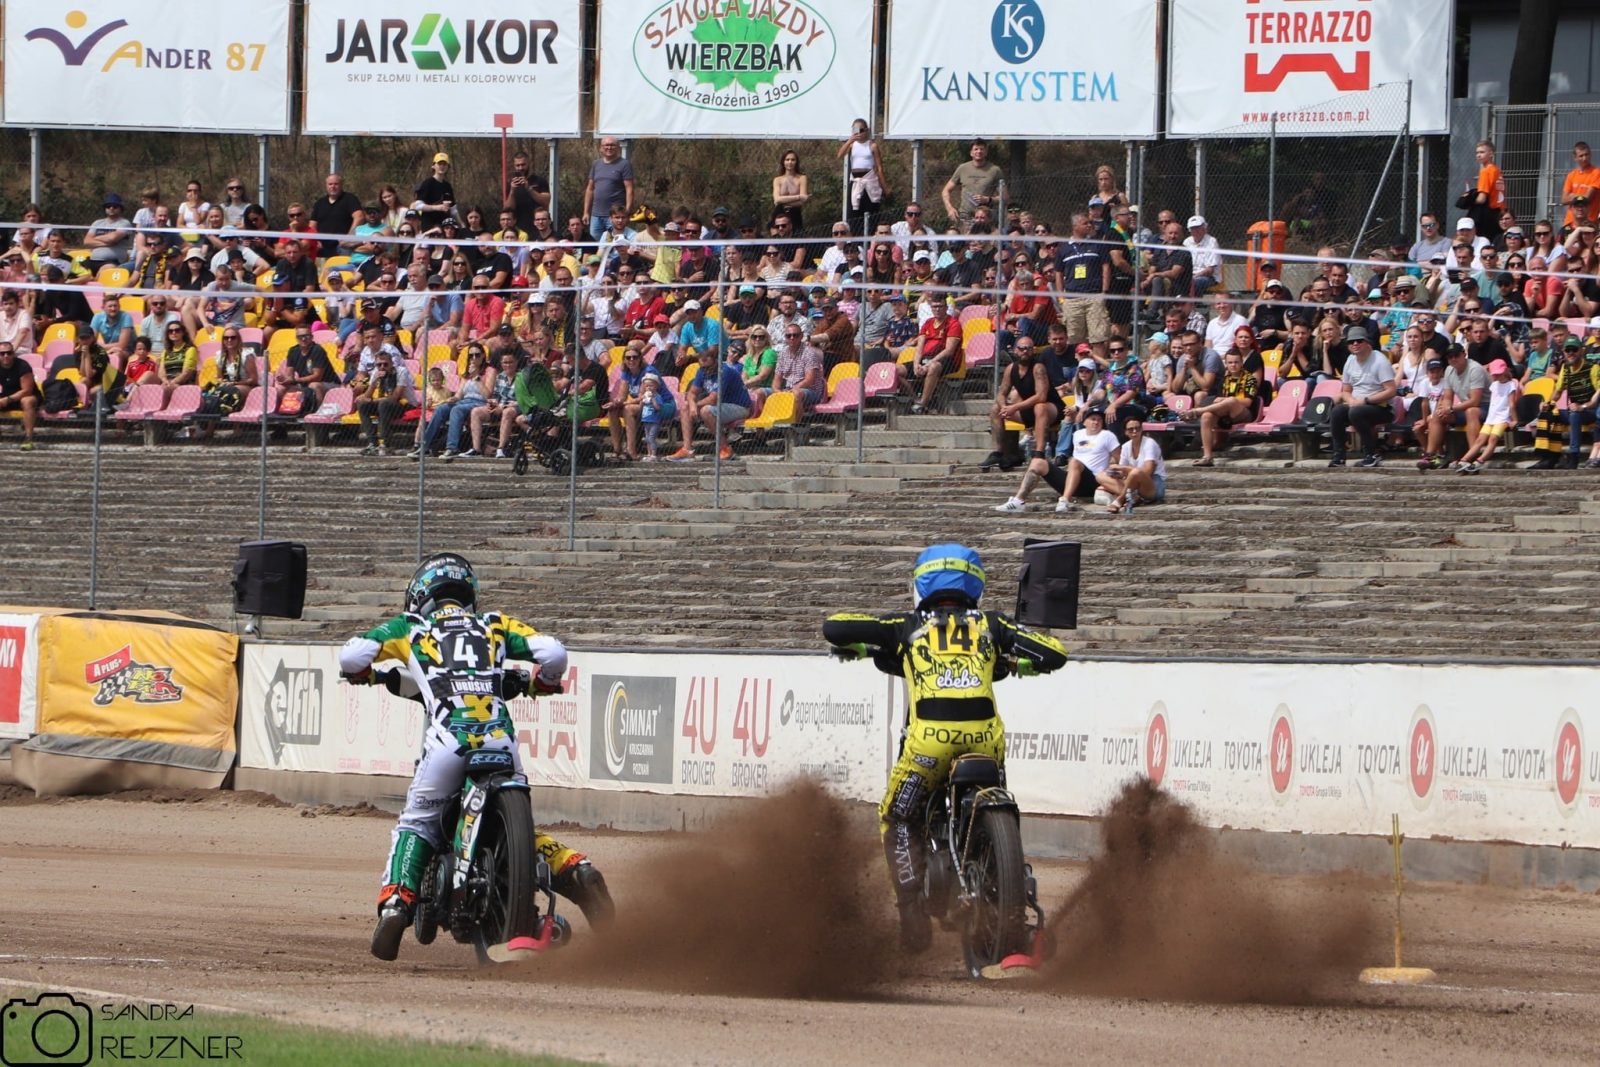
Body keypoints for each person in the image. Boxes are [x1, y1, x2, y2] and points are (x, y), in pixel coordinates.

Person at [340, 554, 613, 960]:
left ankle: (397, 903)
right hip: (501, 742)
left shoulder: (410, 627)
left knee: (418, 823)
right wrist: (543, 681)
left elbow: (351, 658)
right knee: (515, 833)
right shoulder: (494, 624)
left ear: (420, 597)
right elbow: (554, 653)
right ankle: (573, 868)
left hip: (448, 742)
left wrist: (364, 674)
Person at [821, 544, 1066, 952]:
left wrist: (864, 643)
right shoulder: (992, 625)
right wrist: (1020, 663)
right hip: (986, 743)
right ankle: (1004, 878)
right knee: (1002, 793)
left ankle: (911, 913)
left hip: (929, 748)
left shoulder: (906, 625)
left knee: (897, 816)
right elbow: (1055, 653)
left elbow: (835, 626)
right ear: (976, 586)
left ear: (921, 585)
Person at [996, 404, 1120, 512]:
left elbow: (1119, 459)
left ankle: (1065, 500)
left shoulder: (1107, 436)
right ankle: (1019, 500)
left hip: (1093, 480)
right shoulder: (1078, 434)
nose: (1096, 422)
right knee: (1038, 462)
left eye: (1099, 420)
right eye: (1093, 419)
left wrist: (1110, 470)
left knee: (1074, 462)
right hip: (1073, 477)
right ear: (1084, 422)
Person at [1325, 324, 1397, 467]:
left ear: (1367, 342)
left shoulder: (1380, 360)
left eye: (1359, 340)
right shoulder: (1350, 361)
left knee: (1356, 412)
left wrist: (1365, 400)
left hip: (1382, 407)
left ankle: (1371, 453)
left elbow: (1391, 390)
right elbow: (1346, 390)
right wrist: (1351, 400)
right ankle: (1339, 455)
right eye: (1351, 342)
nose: (1355, 344)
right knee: (1337, 411)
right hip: (1357, 405)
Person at [983, 338, 1058, 470]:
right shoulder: (1010, 369)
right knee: (995, 409)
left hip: (1051, 409)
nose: (1025, 351)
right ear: (1015, 350)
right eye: (1022, 348)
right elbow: (1001, 393)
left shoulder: (1038, 368)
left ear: (1033, 350)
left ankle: (1039, 452)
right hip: (1028, 410)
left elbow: (1041, 396)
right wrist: (1004, 407)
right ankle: (998, 453)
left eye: (1028, 348)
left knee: (1040, 407)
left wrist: (1014, 407)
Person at [1416, 343, 1489, 470]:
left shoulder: (1475, 369)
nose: (1453, 359)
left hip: (1486, 407)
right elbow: (1448, 397)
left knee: (1471, 411)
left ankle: (1472, 456)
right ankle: (1431, 455)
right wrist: (1445, 408)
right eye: (1450, 357)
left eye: (1456, 355)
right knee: (1437, 415)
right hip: (1465, 406)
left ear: (1464, 354)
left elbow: (1475, 401)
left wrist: (1450, 408)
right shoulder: (1449, 370)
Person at [1530, 337, 1600, 468]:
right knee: (1547, 412)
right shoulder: (1565, 368)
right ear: (1564, 352)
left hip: (1591, 410)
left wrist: (1583, 406)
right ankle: (1548, 457)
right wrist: (1547, 403)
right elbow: (1558, 392)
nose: (1571, 353)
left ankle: (1574, 457)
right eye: (1568, 350)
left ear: (1581, 351)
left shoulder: (1592, 368)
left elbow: (1598, 395)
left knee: (1574, 414)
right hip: (1574, 410)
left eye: (1574, 349)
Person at [1184, 350, 1259, 467]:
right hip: (1225, 414)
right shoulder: (1224, 380)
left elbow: (1248, 402)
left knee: (1231, 400)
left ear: (1241, 363)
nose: (1233, 365)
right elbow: (1217, 400)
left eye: (1236, 362)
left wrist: (1225, 400)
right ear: (1226, 364)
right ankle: (1207, 456)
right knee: (1206, 416)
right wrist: (1223, 401)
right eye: (1230, 362)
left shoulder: (1250, 379)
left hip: (1243, 413)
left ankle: (1198, 411)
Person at [1455, 359, 1520, 473]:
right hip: (1491, 418)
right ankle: (1464, 459)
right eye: (1495, 374)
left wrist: (1514, 420)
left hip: (1502, 418)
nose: (1496, 376)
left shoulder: (1511, 385)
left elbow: (1511, 404)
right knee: (1480, 440)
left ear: (1505, 371)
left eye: (1498, 373)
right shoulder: (1494, 385)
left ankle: (1480, 460)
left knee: (1493, 439)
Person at [1103, 416, 1166, 514]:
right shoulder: (1125, 447)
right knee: (1101, 476)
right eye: (1131, 429)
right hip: (1135, 484)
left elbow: (1148, 471)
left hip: (1154, 484)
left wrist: (1123, 468)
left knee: (1135, 472)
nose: (1135, 431)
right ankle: (1133, 496)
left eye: (1138, 428)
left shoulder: (1149, 443)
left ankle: (1120, 499)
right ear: (1126, 432)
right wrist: (1114, 473)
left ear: (1142, 429)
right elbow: (1123, 473)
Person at [838, 119, 888, 231]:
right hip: (856, 181)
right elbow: (840, 155)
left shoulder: (872, 145)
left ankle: (870, 235)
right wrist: (849, 141)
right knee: (854, 213)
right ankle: (856, 237)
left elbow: (879, 167)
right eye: (855, 130)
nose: (858, 133)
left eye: (861, 130)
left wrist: (885, 186)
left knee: (871, 212)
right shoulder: (852, 145)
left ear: (866, 130)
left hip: (869, 180)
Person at [942, 139, 1001, 230]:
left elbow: (1004, 197)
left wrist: (988, 199)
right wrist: (949, 208)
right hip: (965, 216)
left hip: (985, 217)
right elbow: (946, 190)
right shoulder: (962, 168)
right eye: (976, 149)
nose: (979, 151)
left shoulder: (995, 170)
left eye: (982, 149)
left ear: (986, 152)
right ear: (971, 153)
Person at [582, 137, 634, 240]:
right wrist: (586, 212)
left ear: (617, 147)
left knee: (615, 244)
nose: (609, 147)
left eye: (612, 145)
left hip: (615, 216)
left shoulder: (624, 164)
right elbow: (590, 189)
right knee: (596, 245)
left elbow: (630, 189)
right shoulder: (596, 164)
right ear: (601, 148)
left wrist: (627, 211)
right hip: (596, 215)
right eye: (606, 145)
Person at [0, 341, 40, 450]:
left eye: (9, 353)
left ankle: (28, 438)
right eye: (2, 353)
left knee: (27, 401)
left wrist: (7, 400)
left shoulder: (22, 366)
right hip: (6, 396)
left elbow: (27, 390)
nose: (6, 356)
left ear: (13, 354)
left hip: (27, 396)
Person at [772, 150, 810, 233]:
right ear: (783, 162)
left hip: (795, 213)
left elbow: (802, 202)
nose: (790, 162)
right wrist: (798, 197)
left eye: (793, 160)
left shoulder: (802, 178)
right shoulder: (777, 180)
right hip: (779, 213)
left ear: (796, 162)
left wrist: (783, 201)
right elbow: (777, 200)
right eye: (787, 160)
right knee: (777, 236)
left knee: (798, 236)